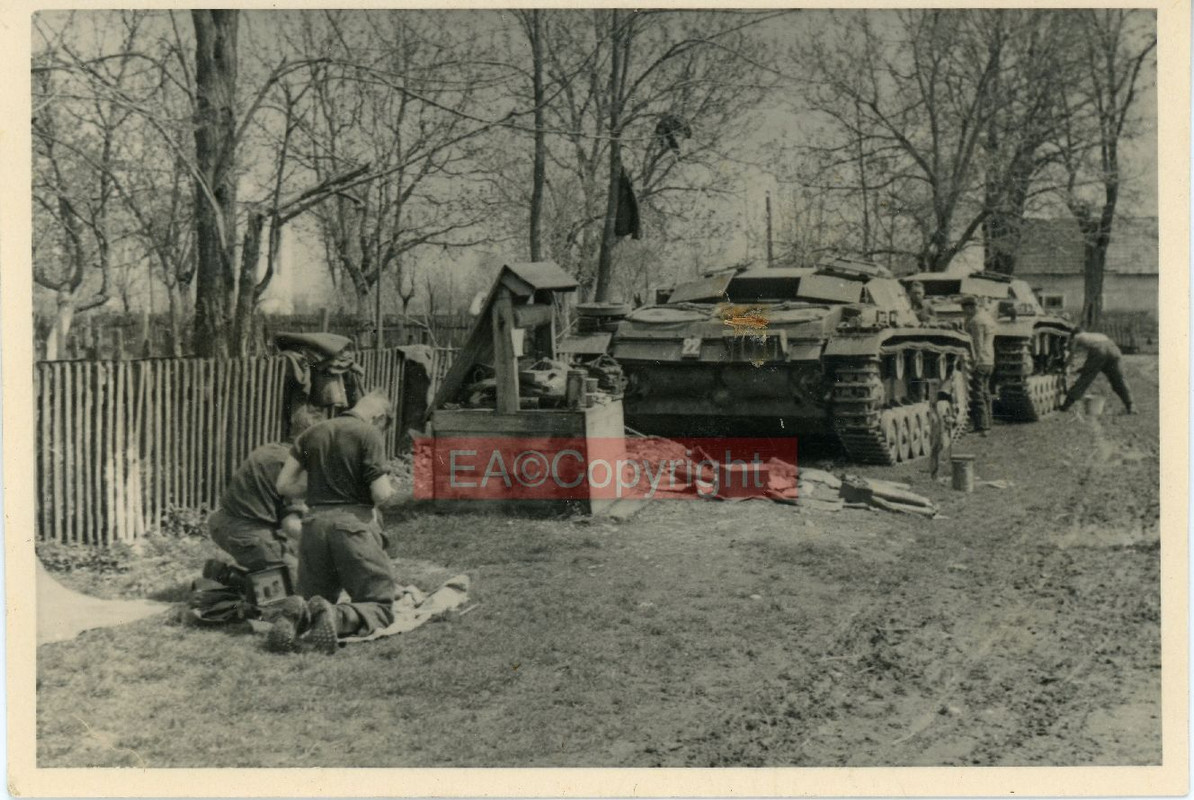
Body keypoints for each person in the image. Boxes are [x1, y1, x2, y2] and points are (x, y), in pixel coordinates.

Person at [269, 390, 399, 654]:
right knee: (380, 604)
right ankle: (338, 618)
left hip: (313, 526)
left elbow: (284, 485)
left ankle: (297, 617)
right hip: (352, 526)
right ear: (379, 418)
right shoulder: (368, 433)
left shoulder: (311, 433)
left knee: (313, 599)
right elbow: (380, 493)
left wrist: (322, 489)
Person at [205, 409, 316, 588]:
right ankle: (234, 583)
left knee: (290, 558)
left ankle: (226, 576)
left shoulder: (270, 449)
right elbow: (291, 525)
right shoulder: (294, 467)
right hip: (248, 535)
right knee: (303, 585)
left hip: (222, 523)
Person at [1059, 329, 1135, 414]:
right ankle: (1131, 406)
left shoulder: (1077, 336)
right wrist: (1085, 368)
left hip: (1099, 350)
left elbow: (1071, 356)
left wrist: (1064, 368)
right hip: (1113, 349)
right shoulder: (1097, 335)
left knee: (1085, 379)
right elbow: (1101, 363)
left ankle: (1066, 405)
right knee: (1118, 379)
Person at [961, 295, 996, 436]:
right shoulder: (987, 317)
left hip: (980, 361)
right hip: (989, 360)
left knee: (977, 394)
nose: (964, 312)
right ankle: (988, 422)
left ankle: (982, 426)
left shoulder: (976, 321)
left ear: (970, 307)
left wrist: (974, 363)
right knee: (985, 393)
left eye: (965, 309)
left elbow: (977, 345)